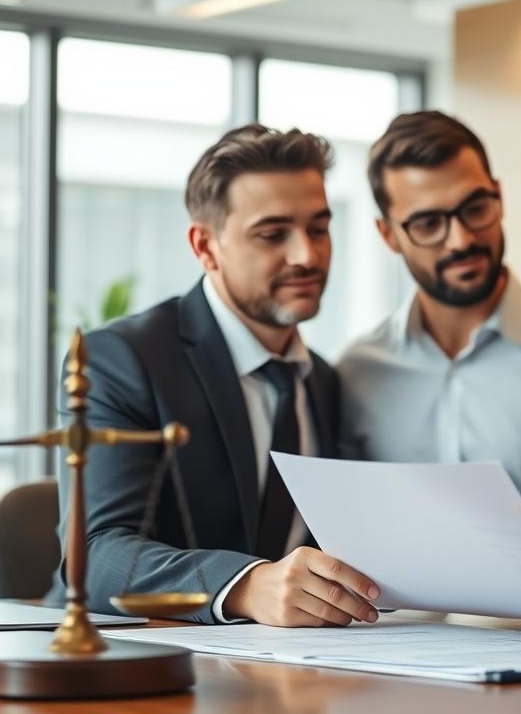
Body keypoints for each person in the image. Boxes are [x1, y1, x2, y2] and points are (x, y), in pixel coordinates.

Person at [50, 125, 381, 628]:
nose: (307, 256)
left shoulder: (325, 383)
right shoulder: (121, 360)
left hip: (288, 671)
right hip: (132, 669)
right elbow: (95, 556)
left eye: (319, 228)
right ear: (205, 247)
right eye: (273, 234)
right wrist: (246, 585)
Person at [338, 111, 521, 498]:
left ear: (499, 199)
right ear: (388, 235)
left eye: (475, 208)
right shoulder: (355, 373)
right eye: (428, 223)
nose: (461, 240)